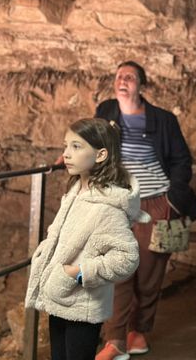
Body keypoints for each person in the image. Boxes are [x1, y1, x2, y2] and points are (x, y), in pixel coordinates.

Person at [95, 61, 196, 360]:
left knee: (149, 276)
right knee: (118, 272)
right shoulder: (106, 112)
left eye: (130, 77)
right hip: (118, 202)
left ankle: (138, 331)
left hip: (155, 202)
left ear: (142, 85)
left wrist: (172, 200)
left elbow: (181, 161)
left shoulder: (163, 120)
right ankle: (115, 340)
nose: (122, 81)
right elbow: (92, 142)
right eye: (118, 76)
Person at [25, 118, 148, 360]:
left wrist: (78, 273)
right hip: (60, 297)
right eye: (66, 146)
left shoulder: (107, 207)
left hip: (82, 305)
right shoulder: (76, 191)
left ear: (101, 155)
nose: (66, 154)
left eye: (76, 147)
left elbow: (127, 258)